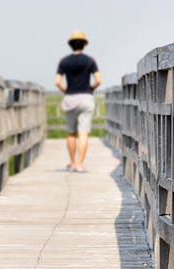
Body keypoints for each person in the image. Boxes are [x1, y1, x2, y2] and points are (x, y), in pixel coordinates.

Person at [55, 30, 101, 173]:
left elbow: (57, 82)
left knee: (71, 133)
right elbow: (98, 80)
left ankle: (72, 164)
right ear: (83, 44)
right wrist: (90, 89)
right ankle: (80, 165)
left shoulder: (64, 61)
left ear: (71, 45)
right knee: (83, 133)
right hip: (86, 98)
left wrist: (66, 91)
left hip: (70, 98)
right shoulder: (90, 60)